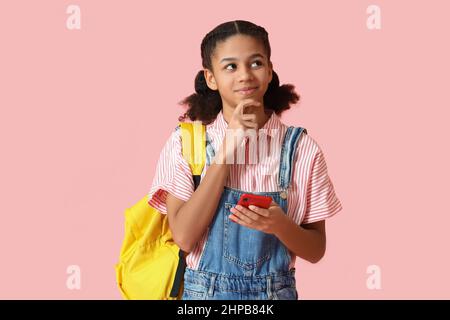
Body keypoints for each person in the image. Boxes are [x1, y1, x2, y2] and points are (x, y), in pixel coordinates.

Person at [148, 20, 343, 300]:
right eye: (231, 66)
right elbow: (184, 237)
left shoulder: (302, 149)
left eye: (255, 63)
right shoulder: (185, 143)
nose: (245, 75)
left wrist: (280, 225)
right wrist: (228, 148)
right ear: (211, 77)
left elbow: (316, 250)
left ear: (270, 70)